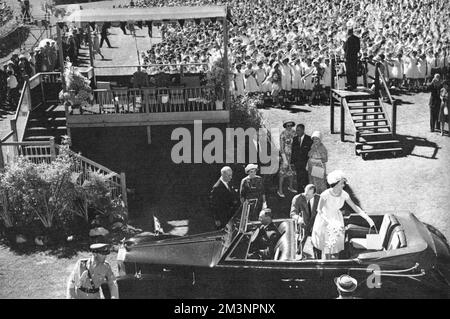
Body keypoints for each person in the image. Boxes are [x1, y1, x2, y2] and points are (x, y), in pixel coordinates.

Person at [311, 170, 375, 260]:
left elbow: (354, 207)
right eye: (342, 183)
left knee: (335, 246)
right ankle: (326, 264)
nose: (343, 185)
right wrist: (329, 221)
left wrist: (366, 217)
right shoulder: (325, 194)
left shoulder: (344, 194)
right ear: (335, 183)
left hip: (337, 219)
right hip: (324, 220)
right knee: (326, 247)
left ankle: (334, 263)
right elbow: (319, 210)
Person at [291, 124, 312, 193]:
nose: (297, 132)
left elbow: (310, 153)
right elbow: (293, 152)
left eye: (299, 130)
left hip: (305, 165)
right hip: (298, 164)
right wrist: (292, 163)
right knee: (298, 180)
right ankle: (300, 193)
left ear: (303, 130)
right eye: (296, 130)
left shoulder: (309, 139)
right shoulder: (294, 139)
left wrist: (308, 164)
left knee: (306, 180)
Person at [278, 120, 297, 198]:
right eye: (287, 126)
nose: (289, 127)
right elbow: (281, 148)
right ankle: (280, 190)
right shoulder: (282, 134)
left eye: (290, 125)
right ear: (285, 126)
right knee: (282, 173)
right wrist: (285, 159)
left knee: (292, 172)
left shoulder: (294, 133)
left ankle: (290, 187)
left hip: (293, 156)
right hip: (285, 156)